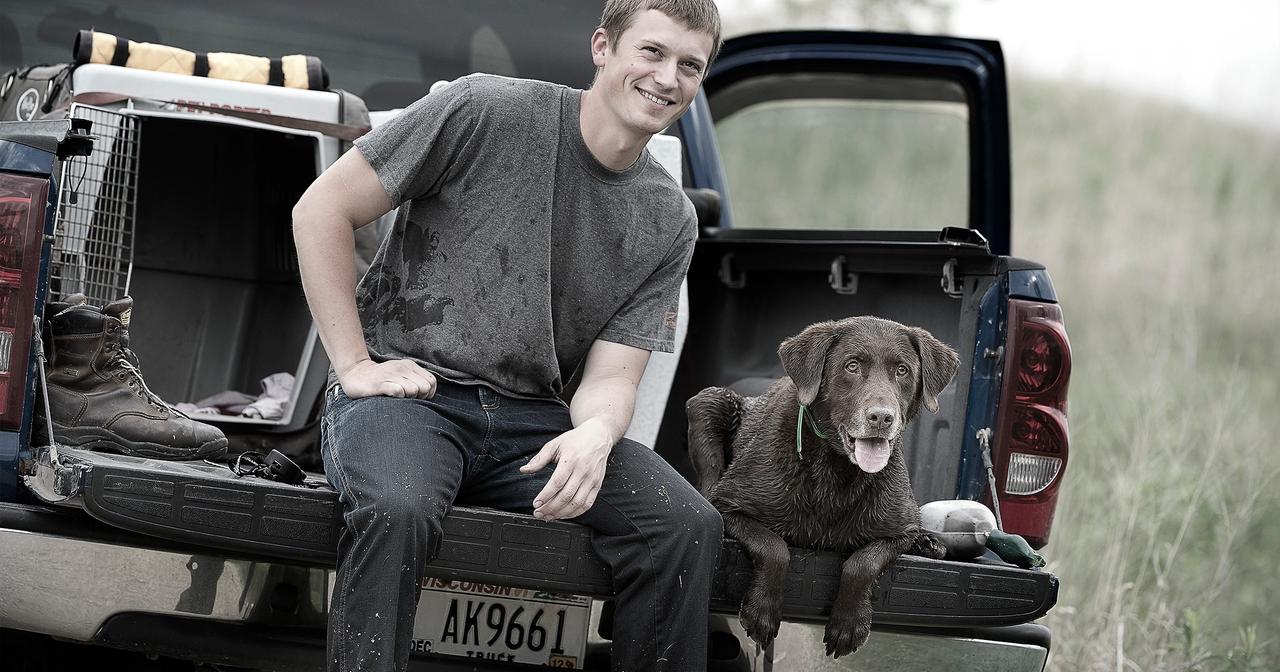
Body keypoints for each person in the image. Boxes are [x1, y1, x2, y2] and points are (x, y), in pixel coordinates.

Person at [291, 1, 723, 670]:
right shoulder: (484, 109)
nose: (668, 78)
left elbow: (612, 376)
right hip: (410, 398)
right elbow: (321, 208)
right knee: (399, 507)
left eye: (689, 66)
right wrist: (353, 366)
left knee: (685, 525)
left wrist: (595, 435)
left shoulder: (668, 219)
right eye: (653, 52)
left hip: (530, 425)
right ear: (602, 47)